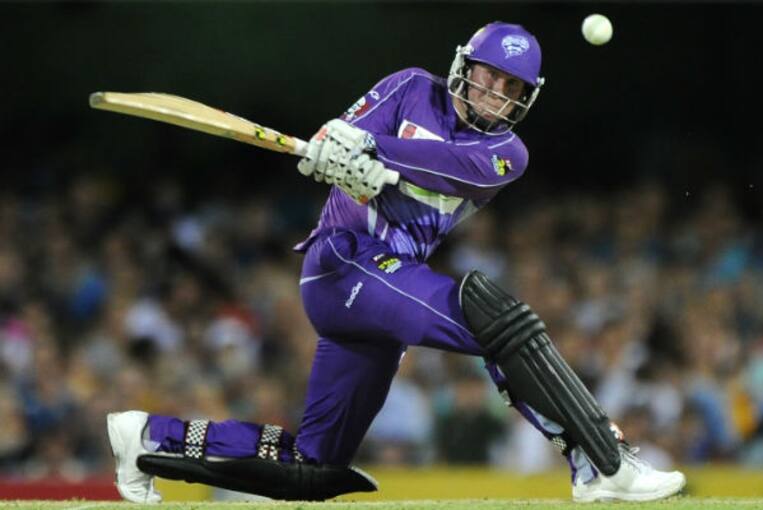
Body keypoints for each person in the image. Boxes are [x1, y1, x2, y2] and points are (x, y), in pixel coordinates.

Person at [107, 22, 686, 503]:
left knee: (315, 469)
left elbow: (448, 168)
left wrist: (378, 155)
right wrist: (338, 155)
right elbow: (341, 137)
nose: (498, 92)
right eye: (491, 75)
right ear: (467, 66)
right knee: (494, 314)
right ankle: (602, 461)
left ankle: (147, 437)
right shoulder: (410, 87)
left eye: (513, 86)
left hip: (382, 291)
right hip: (343, 263)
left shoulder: (507, 152)